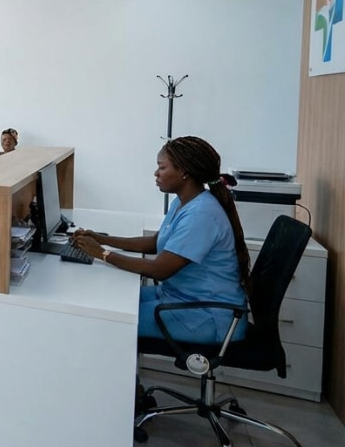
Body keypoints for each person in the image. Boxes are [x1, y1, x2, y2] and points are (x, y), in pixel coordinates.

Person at [72, 136, 250, 346]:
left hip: (207, 314)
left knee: (104, 321)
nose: (156, 173)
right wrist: (100, 239)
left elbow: (159, 270)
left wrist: (102, 254)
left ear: (184, 172)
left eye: (162, 167)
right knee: (104, 301)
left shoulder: (201, 214)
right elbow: (155, 242)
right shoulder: (185, 201)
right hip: (179, 297)